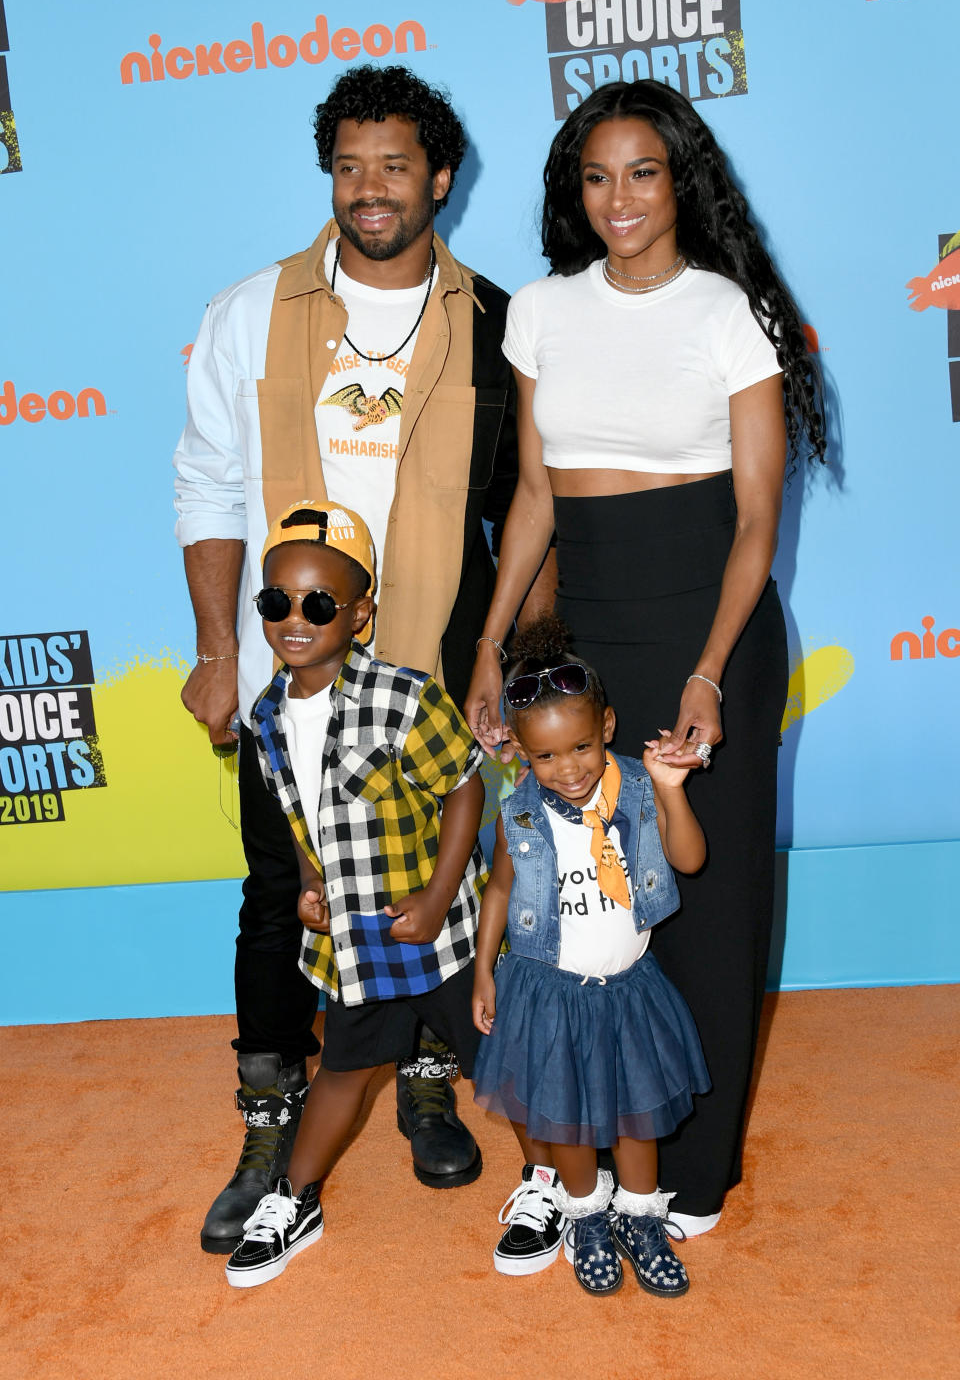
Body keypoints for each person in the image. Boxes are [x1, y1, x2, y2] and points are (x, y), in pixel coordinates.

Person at [174, 64, 547, 1254]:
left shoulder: (499, 321)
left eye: (394, 165)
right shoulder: (251, 312)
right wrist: (213, 650)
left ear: (441, 177)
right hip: (293, 675)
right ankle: (272, 1114)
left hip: (437, 660)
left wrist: (510, 659)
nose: (370, 188)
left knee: (442, 875)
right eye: (349, 165)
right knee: (280, 893)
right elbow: (208, 485)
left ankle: (429, 1074)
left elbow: (529, 508)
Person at [465, 80, 826, 1237]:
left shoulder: (732, 314)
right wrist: (492, 648)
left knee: (705, 902)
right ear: (575, 192)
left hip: (710, 624)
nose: (618, 199)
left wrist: (711, 673)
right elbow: (531, 497)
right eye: (595, 176)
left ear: (682, 183)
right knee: (593, 907)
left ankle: (692, 1174)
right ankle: (605, 1156)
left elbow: (760, 523)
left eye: (643, 173)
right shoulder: (539, 313)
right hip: (589, 632)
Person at [224, 501, 486, 1288]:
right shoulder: (265, 717)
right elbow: (301, 816)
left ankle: (567, 1190)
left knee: (505, 1063)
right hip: (354, 944)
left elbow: (467, 789)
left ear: (361, 613)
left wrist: (440, 896)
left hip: (438, 935)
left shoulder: (404, 697)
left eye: (318, 604)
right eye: (275, 602)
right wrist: (308, 882)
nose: (293, 620)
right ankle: (293, 1200)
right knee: (341, 1069)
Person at [471, 618, 708, 1296]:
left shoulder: (636, 789)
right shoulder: (516, 814)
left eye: (580, 746)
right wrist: (485, 969)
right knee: (565, 1114)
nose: (568, 768)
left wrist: (669, 789)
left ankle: (639, 1216)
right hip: (547, 990)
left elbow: (690, 859)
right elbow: (498, 892)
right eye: (546, 757)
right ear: (519, 752)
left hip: (629, 988)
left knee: (638, 1112)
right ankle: (586, 1217)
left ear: (607, 726)